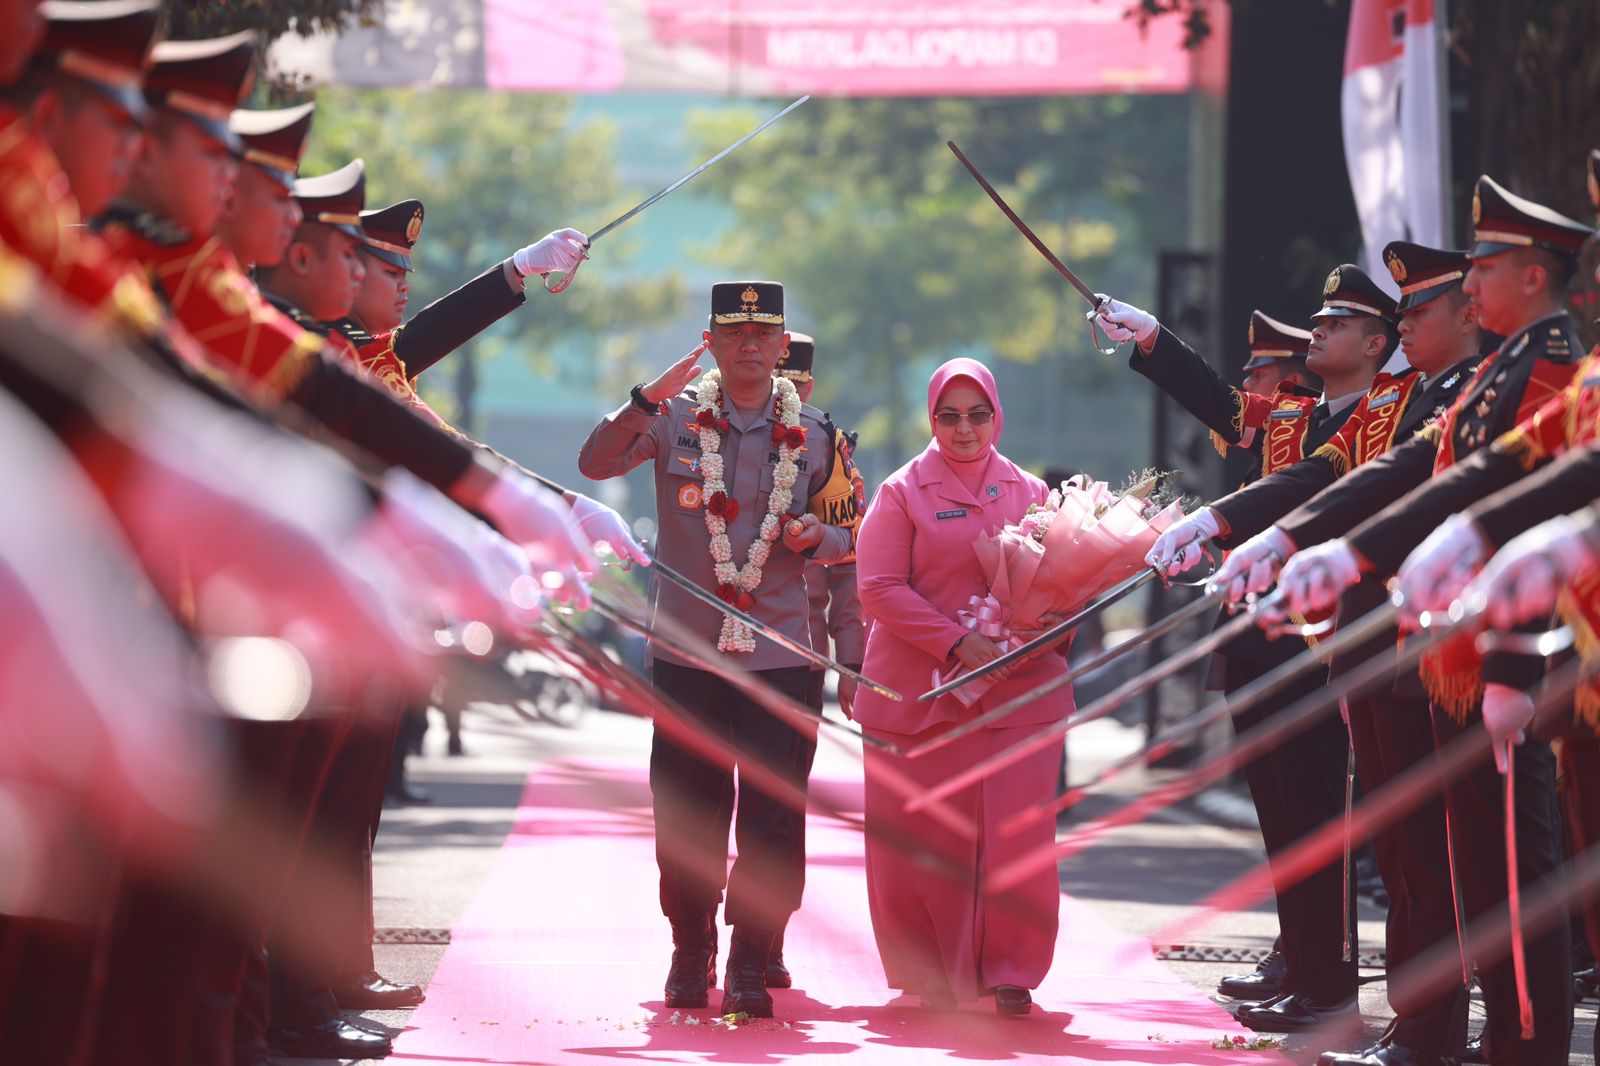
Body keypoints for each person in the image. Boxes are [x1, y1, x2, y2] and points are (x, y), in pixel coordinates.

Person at [1259, 175, 1591, 1066]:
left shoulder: (1553, 367)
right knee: (1476, 868)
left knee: (1516, 875)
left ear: (1533, 276)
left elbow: (1529, 493)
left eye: (1485, 265)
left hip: (1514, 651)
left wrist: (1509, 653)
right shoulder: (1500, 371)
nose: (1472, 283)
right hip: (1458, 652)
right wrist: (1309, 543)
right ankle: (1485, 1041)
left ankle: (1525, 1048)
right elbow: (1425, 472)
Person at [1101, 269, 1395, 1031]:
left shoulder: (1387, 417)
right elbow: (1221, 403)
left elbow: (1311, 492)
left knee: (1320, 816)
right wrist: (1153, 336)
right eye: (1320, 320)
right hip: (1263, 637)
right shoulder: (1296, 416)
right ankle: (1301, 966)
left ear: (1376, 344)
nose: (1318, 330)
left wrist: (1216, 523)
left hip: (1328, 638)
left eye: (1338, 324)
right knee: (1281, 813)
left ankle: (1327, 984)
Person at [578, 281, 857, 1019]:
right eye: (734, 332)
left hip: (780, 654)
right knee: (686, 810)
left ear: (782, 343)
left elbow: (849, 535)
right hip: (688, 656)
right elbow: (595, 463)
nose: (750, 345)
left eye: (763, 334)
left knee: (772, 815)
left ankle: (749, 958)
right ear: (711, 340)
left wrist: (817, 538)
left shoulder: (818, 433)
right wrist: (647, 394)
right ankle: (690, 945)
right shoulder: (672, 418)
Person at [851, 357, 1071, 1016]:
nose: (964, 428)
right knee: (925, 841)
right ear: (932, 418)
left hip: (1018, 694)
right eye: (949, 416)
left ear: (997, 415)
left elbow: (1064, 579)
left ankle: (1012, 971)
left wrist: (1049, 622)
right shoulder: (901, 492)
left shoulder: (1031, 491)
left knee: (1017, 835)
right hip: (921, 696)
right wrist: (955, 641)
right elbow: (878, 587)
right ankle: (931, 970)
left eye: (977, 414)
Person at [768, 329, 865, 987]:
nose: (788, 396)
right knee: (701, 797)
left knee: (781, 802)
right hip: (711, 645)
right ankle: (694, 940)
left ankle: (765, 937)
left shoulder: (827, 447)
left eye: (797, 385)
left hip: (797, 657)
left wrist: (852, 663)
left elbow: (852, 560)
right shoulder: (708, 427)